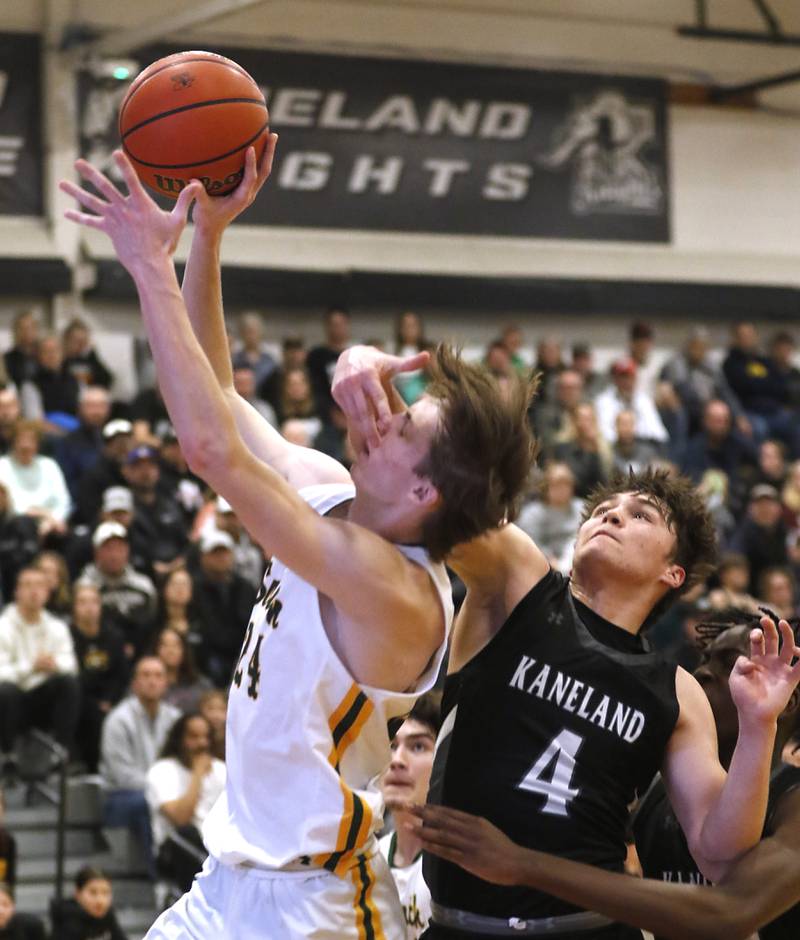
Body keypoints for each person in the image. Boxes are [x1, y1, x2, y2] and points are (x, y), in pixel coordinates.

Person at [61, 141, 534, 940]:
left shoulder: (395, 588)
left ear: (425, 491)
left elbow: (210, 450)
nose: (375, 417)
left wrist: (148, 269)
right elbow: (215, 390)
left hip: (314, 909)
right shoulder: (331, 489)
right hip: (230, 880)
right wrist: (208, 233)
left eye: (401, 424)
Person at [336, 348, 800, 940]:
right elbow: (434, 497)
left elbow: (717, 851)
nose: (610, 515)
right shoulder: (518, 578)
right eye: (603, 509)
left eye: (641, 516)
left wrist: (759, 728)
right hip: (458, 924)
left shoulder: (675, 689)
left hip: (586, 926)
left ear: (673, 573)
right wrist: (378, 401)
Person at [411, 613, 800, 940]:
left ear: (788, 696)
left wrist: (522, 864)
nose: (703, 671)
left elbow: (727, 915)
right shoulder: (656, 793)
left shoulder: (793, 801)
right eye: (706, 658)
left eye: (730, 661)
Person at [99, 656, 181, 878]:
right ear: (134, 683)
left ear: (166, 683)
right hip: (120, 798)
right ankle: (159, 879)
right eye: (145, 675)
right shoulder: (118, 720)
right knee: (147, 803)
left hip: (163, 795)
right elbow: (122, 776)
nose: (152, 681)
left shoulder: (175, 718)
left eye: (158, 676)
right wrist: (161, 794)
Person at [0, 566, 80, 768]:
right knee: (6, 691)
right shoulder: (3, 626)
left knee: (69, 684)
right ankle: (8, 755)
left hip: (43, 698)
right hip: (12, 700)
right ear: (16, 592)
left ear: (47, 592)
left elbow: (71, 665)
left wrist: (53, 665)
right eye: (27, 585)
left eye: (39, 586)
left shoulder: (57, 626)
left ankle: (61, 751)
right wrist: (31, 667)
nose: (33, 591)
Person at [379, 693, 441, 940]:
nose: (397, 760)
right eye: (392, 746)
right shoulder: (367, 856)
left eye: (417, 746)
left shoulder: (455, 866)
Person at [145, 713, 226, 894]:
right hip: (175, 850)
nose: (202, 744)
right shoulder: (162, 771)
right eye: (194, 737)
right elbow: (181, 818)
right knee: (186, 833)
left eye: (206, 737)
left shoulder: (222, 771)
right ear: (179, 740)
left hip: (215, 846)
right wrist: (197, 775)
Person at [69, 581, 128, 772]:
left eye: (94, 602)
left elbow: (121, 675)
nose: (89, 608)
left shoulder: (114, 636)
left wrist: (110, 700)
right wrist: (95, 703)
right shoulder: (67, 636)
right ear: (74, 607)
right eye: (82, 602)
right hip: (80, 699)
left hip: (109, 698)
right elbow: (72, 676)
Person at [50, 865, 128, 940]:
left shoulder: (108, 916)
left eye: (106, 893)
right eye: (93, 893)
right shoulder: (67, 922)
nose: (100, 900)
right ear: (78, 894)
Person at [152, 627, 213, 714]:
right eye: (164, 645)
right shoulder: (146, 682)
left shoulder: (201, 685)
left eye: (176, 645)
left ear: (184, 650)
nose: (170, 650)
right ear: (156, 649)